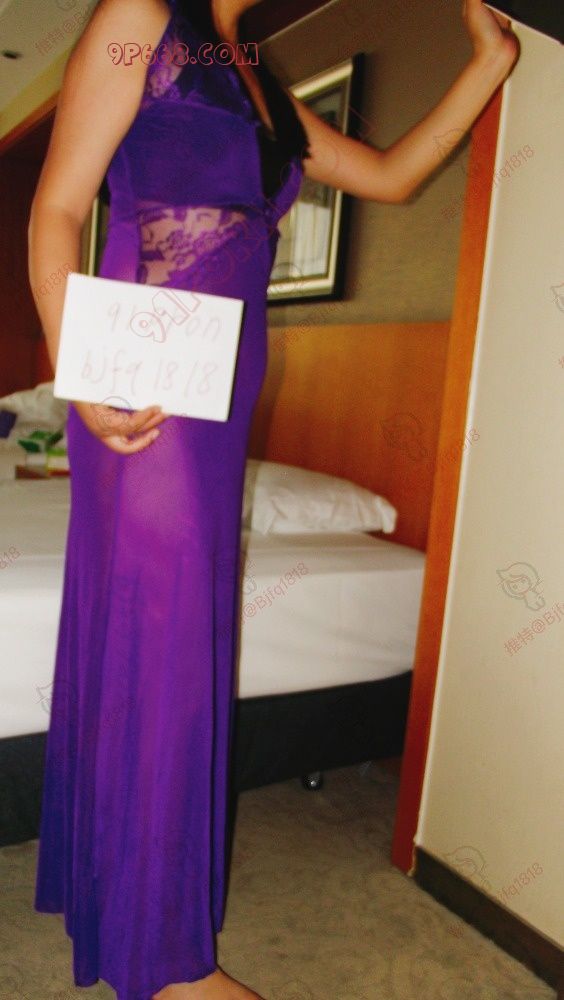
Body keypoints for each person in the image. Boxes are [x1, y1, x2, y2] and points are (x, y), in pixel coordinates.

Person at [27, 0, 519, 997]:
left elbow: (393, 175)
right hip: (147, 383)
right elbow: (58, 209)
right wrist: (78, 373)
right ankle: (168, 968)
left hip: (222, 390)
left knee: (163, 641)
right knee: (169, 648)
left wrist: (489, 61)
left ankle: (111, 897)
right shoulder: (142, 21)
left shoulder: (250, 74)